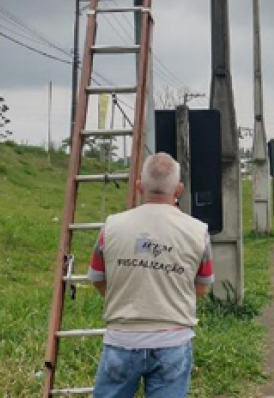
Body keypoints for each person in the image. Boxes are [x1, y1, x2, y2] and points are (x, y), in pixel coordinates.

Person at [87, 153, 214, 398]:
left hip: (121, 339)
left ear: (139, 185)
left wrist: (125, 300)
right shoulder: (198, 232)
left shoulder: (111, 227)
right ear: (179, 189)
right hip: (173, 342)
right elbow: (202, 287)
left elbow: (97, 278)